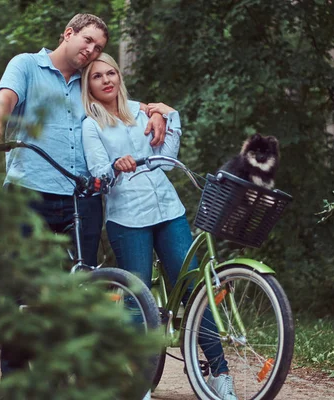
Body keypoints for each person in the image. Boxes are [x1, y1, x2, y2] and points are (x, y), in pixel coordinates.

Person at [0, 14, 166, 380]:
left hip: (82, 199)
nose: (91, 51)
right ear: (69, 33)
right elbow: (5, 100)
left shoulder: (89, 81)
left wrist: (157, 111)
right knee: (23, 290)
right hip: (29, 194)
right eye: (88, 41)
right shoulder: (27, 65)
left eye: (99, 48)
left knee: (78, 291)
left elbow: (127, 105)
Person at [81, 53, 238, 400]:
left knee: (197, 288)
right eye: (97, 77)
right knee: (137, 299)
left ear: (119, 77)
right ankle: (140, 382)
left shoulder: (141, 110)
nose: (107, 80)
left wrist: (167, 114)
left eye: (111, 73)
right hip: (127, 218)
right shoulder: (91, 124)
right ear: (88, 86)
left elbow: (167, 161)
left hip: (168, 210)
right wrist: (115, 166)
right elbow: (98, 175)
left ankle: (219, 373)